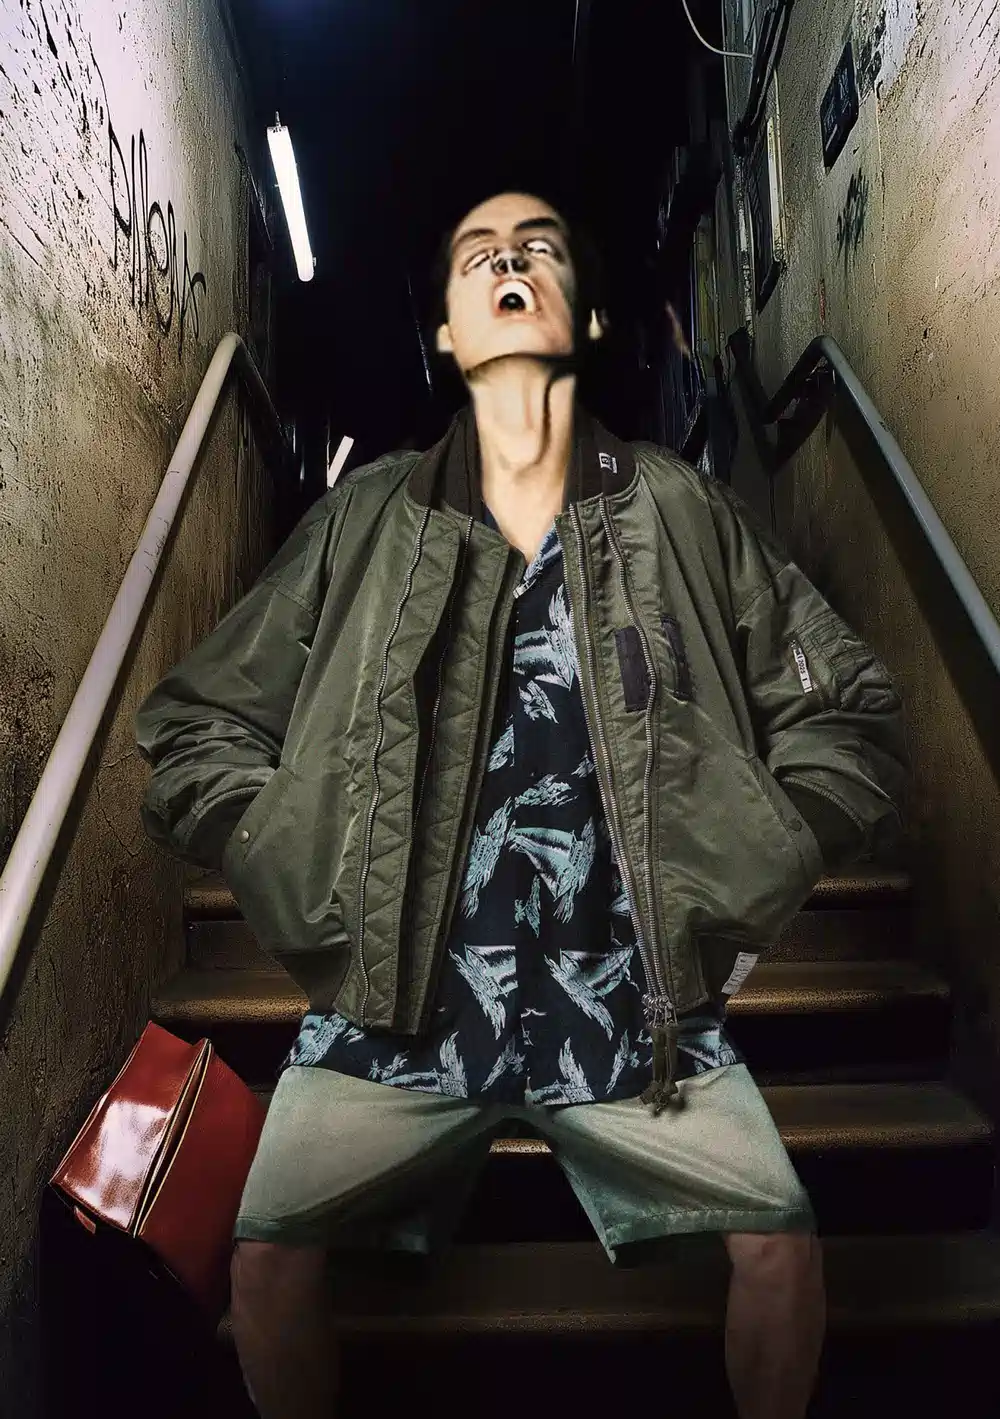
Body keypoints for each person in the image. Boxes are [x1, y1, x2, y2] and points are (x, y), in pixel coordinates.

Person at [135, 189, 908, 1419]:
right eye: (479, 254)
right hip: (396, 1000)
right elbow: (196, 721)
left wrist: (763, 856)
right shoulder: (366, 517)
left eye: (539, 248)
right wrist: (280, 852)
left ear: (585, 317)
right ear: (448, 332)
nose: (510, 260)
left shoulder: (679, 508)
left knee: (779, 1240)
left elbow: (845, 712)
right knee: (267, 1262)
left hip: (631, 999)